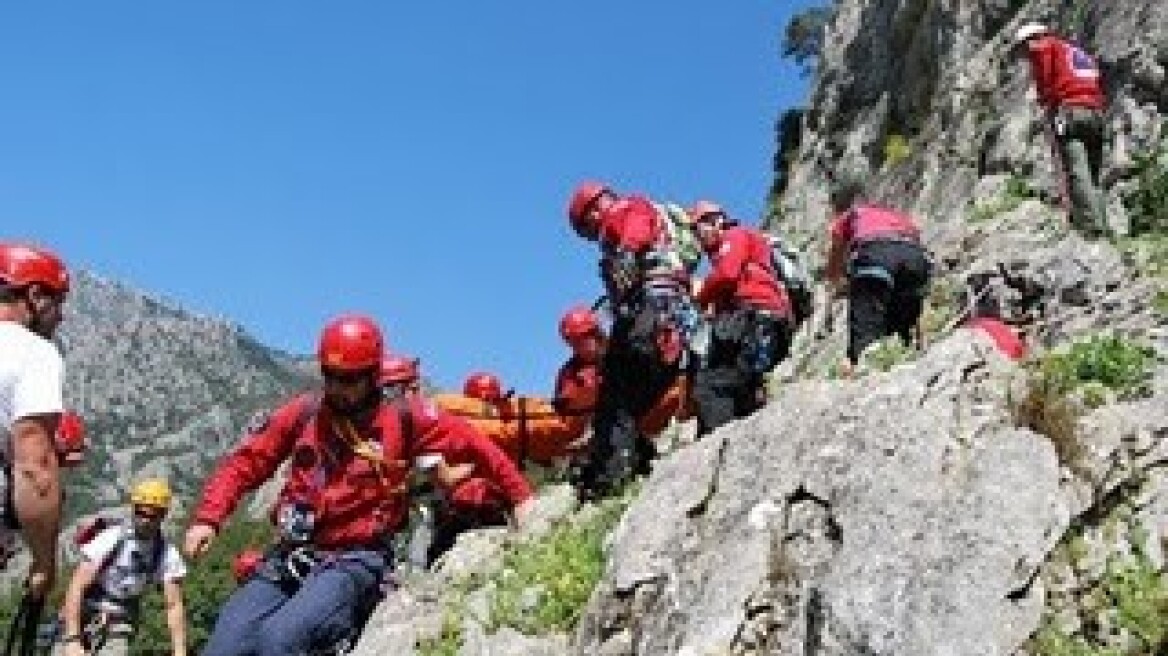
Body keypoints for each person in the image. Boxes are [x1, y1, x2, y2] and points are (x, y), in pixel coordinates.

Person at [185, 315, 533, 656]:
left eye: (349, 380)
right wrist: (208, 518)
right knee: (225, 644)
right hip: (291, 552)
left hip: (356, 558)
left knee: (281, 641)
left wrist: (520, 499)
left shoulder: (405, 418)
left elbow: (476, 445)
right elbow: (247, 461)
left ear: (372, 376)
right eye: (330, 377)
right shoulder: (305, 413)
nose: (338, 389)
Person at [566, 181, 701, 499]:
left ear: (593, 209)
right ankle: (623, 462)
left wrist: (625, 253)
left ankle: (612, 474)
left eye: (588, 228)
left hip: (650, 309)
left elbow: (635, 230)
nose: (594, 236)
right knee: (626, 396)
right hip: (671, 309)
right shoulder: (649, 218)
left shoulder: (624, 210)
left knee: (616, 391)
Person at [378, 357, 537, 564]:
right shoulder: (457, 423)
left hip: (466, 508)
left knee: (434, 562)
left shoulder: (422, 427)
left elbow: (446, 479)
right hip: (495, 504)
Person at [0, 242, 70, 601]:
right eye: (58, 303)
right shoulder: (32, 352)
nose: (61, 316)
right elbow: (34, 467)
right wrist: (45, 562)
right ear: (35, 295)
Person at [689, 202, 793, 434]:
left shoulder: (734, 235)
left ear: (717, 221)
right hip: (766, 320)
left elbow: (727, 273)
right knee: (743, 388)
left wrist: (701, 296)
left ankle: (719, 445)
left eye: (700, 228)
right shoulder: (743, 246)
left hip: (754, 318)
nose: (699, 237)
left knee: (711, 386)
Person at [55, 479, 188, 656]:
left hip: (120, 620)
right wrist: (72, 639)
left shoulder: (167, 554)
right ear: (133, 510)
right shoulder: (111, 538)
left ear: (163, 515)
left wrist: (180, 651)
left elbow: (174, 605)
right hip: (84, 611)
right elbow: (77, 585)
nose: (145, 520)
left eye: (152, 515)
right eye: (140, 513)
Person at [824, 172, 932, 376]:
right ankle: (905, 360)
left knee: (867, 322)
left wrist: (835, 281)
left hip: (876, 253)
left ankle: (866, 371)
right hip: (915, 259)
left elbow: (837, 251)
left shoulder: (851, 214)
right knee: (902, 324)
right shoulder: (898, 217)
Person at [1015, 22, 1109, 237]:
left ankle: (1090, 229)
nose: (1025, 53)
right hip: (1095, 112)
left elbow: (1045, 84)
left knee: (1077, 172)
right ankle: (1103, 225)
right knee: (1093, 176)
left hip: (1071, 113)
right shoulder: (1075, 51)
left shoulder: (1044, 47)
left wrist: (1045, 100)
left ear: (1033, 38)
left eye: (1023, 47)